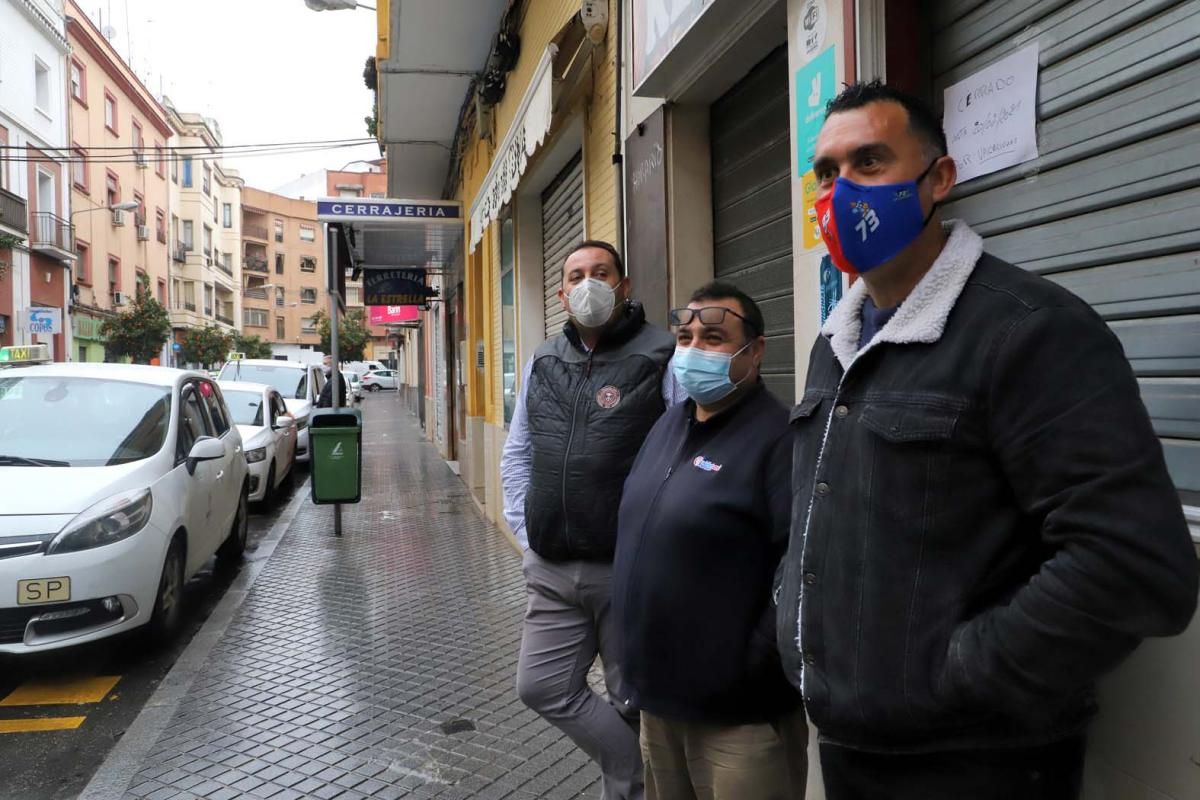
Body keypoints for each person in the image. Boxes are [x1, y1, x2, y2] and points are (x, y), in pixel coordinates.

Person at [775, 80, 1198, 800]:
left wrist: (953, 673)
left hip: (975, 765)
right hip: (852, 749)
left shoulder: (1030, 331)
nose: (841, 193)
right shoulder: (837, 342)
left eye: (870, 163)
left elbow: (1134, 565)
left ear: (938, 179)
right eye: (827, 173)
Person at [501, 239, 683, 800]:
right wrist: (527, 534)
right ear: (561, 293)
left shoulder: (664, 355)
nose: (588, 283)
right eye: (576, 274)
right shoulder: (543, 359)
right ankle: (637, 774)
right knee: (542, 686)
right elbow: (518, 453)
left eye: (600, 272)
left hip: (627, 567)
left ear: (623, 286)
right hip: (552, 566)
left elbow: (681, 452)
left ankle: (626, 788)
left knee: (631, 699)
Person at [613, 282, 807, 800]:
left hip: (737, 720)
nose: (694, 350)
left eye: (714, 338)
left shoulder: (782, 439)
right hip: (659, 704)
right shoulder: (668, 425)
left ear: (755, 350)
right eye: (686, 337)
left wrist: (749, 667)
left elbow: (804, 566)